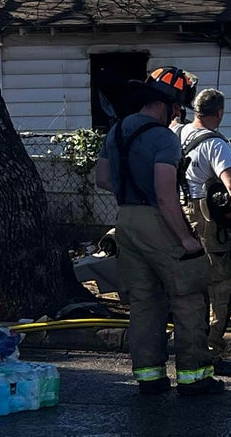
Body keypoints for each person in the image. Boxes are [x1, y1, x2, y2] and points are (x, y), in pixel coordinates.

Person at [95, 66, 224, 396]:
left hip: (125, 221)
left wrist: (132, 196)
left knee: (143, 301)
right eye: (178, 107)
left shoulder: (118, 130)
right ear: (168, 104)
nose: (177, 113)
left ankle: (150, 376)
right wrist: (185, 239)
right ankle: (195, 377)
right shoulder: (163, 137)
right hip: (157, 218)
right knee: (189, 295)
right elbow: (166, 194)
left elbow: (103, 179)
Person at [174, 88, 231, 377]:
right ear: (219, 113)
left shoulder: (179, 134)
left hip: (179, 213)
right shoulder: (217, 145)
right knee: (220, 284)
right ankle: (211, 351)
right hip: (207, 218)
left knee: (192, 284)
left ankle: (190, 346)